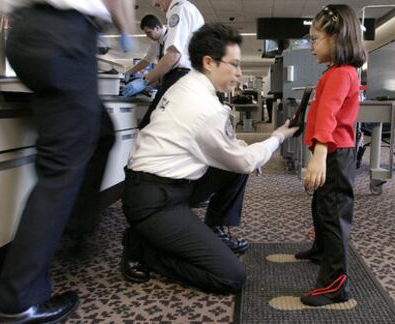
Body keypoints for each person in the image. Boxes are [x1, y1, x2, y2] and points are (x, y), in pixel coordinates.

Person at [0, 1, 135, 323]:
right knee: (60, 171)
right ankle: (18, 301)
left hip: (24, 32)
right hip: (63, 33)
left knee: (101, 133)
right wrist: (125, 28)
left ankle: (76, 223)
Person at [120, 23, 298, 293]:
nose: (239, 74)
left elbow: (229, 148)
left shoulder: (186, 84)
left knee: (236, 167)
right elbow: (245, 160)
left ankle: (212, 230)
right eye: (234, 65)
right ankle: (143, 249)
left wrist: (245, 156)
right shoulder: (205, 107)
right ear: (209, 62)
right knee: (230, 277)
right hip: (154, 202)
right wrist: (277, 137)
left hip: (158, 185)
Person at [293, 4, 367, 306]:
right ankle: (321, 249)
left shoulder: (340, 74)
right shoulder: (337, 72)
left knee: (333, 216)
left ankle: (335, 283)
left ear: (337, 38)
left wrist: (320, 153)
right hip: (334, 153)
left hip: (335, 154)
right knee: (322, 206)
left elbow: (328, 114)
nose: (311, 46)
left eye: (315, 39)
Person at [122, 0, 204, 129]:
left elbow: (173, 56)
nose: (154, 4)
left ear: (158, 28)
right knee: (165, 129)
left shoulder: (179, 9)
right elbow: (147, 60)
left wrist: (144, 81)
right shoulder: (182, 10)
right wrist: (131, 73)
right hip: (180, 78)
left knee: (150, 128)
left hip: (180, 78)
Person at [123, 14, 167, 83]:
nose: (147, 36)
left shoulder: (171, 37)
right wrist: (129, 72)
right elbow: (146, 60)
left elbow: (169, 62)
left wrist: (146, 82)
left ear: (157, 28)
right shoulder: (155, 42)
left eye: (149, 32)